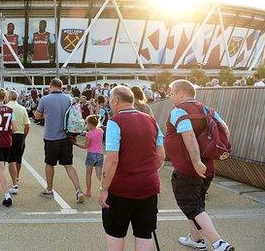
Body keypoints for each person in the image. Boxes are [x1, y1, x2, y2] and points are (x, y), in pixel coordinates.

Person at [165, 80, 234, 251]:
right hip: (209, 167)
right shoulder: (208, 109)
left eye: (172, 92)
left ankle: (219, 242)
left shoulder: (178, 111)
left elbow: (188, 135)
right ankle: (196, 239)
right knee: (196, 204)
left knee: (191, 205)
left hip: (188, 168)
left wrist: (196, 161)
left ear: (182, 93)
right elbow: (224, 129)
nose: (170, 95)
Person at [99, 85, 165, 251]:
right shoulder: (151, 120)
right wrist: (148, 173)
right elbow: (161, 155)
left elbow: (111, 159)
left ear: (115, 100)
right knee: (144, 233)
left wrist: (103, 188)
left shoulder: (115, 122)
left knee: (115, 232)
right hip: (148, 187)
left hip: (121, 189)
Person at [34, 78, 85, 203]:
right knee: (68, 164)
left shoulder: (45, 99)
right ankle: (78, 190)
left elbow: (37, 116)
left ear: (51, 86)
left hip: (51, 136)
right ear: (61, 86)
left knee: (50, 163)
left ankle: (49, 190)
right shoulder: (69, 98)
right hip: (66, 135)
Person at [5, 90, 30, 194]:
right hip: (20, 135)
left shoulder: (5, 107)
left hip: (8, 134)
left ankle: (14, 180)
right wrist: (24, 136)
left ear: (9, 97)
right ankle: (17, 176)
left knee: (10, 159)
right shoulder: (22, 108)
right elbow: (27, 125)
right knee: (18, 157)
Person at [73, 115, 104, 197]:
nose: (86, 125)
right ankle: (106, 189)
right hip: (100, 154)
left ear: (90, 124)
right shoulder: (101, 131)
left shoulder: (89, 134)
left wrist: (75, 143)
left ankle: (88, 192)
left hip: (91, 154)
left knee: (88, 174)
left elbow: (85, 146)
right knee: (99, 174)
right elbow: (96, 133)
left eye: (86, 124)